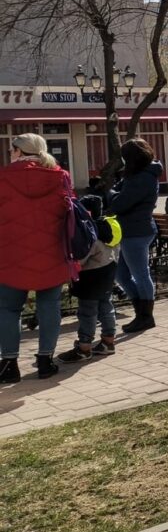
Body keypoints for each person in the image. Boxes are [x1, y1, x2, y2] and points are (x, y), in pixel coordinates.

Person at [0, 134, 75, 382]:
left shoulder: (3, 177)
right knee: (49, 306)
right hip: (52, 252)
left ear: (19, 152)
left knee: (8, 309)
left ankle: (8, 364)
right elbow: (70, 211)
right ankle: (45, 361)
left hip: (10, 254)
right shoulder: (60, 176)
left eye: (12, 149)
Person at [58, 195, 121, 363]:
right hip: (108, 273)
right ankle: (108, 341)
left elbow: (81, 258)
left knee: (87, 312)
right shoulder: (111, 226)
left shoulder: (90, 232)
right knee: (106, 306)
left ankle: (84, 347)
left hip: (90, 277)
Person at [109, 138, 162, 334]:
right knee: (121, 274)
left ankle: (146, 316)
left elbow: (120, 203)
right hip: (129, 229)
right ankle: (140, 309)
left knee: (140, 274)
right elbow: (118, 191)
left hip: (136, 231)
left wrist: (111, 194)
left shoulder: (143, 177)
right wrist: (114, 192)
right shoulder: (136, 174)